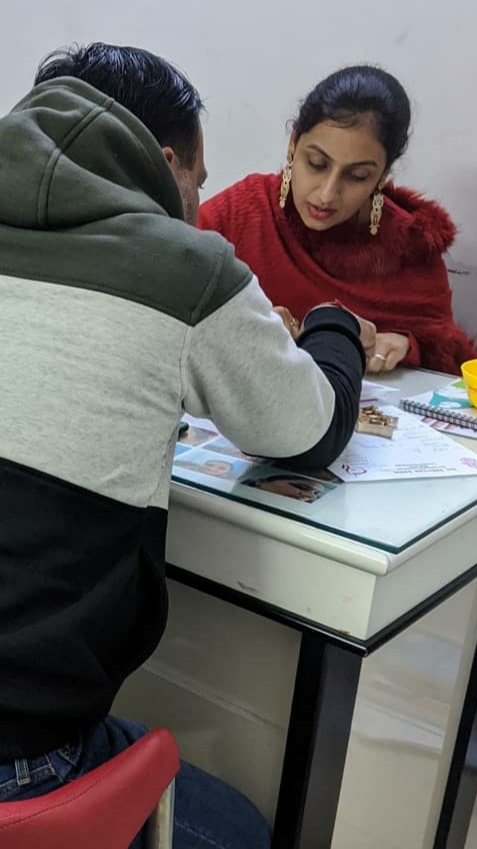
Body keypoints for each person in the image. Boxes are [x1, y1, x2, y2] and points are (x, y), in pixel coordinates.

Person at [0, 43, 374, 849]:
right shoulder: (183, 265)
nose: (200, 202)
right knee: (241, 829)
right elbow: (309, 430)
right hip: (21, 761)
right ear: (164, 163)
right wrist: (334, 325)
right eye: (198, 181)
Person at [199, 65, 477, 375]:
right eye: (316, 163)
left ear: (382, 176)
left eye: (357, 176)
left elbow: (447, 357)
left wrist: (407, 345)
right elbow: (169, 300)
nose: (327, 194)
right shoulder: (242, 213)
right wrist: (240, 324)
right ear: (293, 144)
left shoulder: (410, 247)